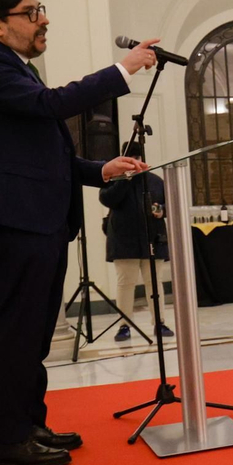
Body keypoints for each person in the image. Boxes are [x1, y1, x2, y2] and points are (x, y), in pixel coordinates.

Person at [0, 0, 157, 465]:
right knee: (16, 331)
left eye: (39, 8)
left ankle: (28, 426)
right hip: (14, 220)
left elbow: (43, 155)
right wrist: (121, 70)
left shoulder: (15, 70)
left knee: (35, 331)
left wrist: (100, 170)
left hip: (35, 219)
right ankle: (4, 442)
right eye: (30, 11)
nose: (43, 18)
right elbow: (51, 107)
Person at [98, 139, 171, 342]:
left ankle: (159, 322)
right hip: (123, 239)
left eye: (137, 158)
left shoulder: (154, 180)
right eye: (130, 158)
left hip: (152, 237)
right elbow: (107, 199)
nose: (134, 162)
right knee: (125, 284)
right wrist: (125, 178)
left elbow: (168, 203)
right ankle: (124, 325)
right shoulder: (114, 179)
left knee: (154, 283)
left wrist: (161, 210)